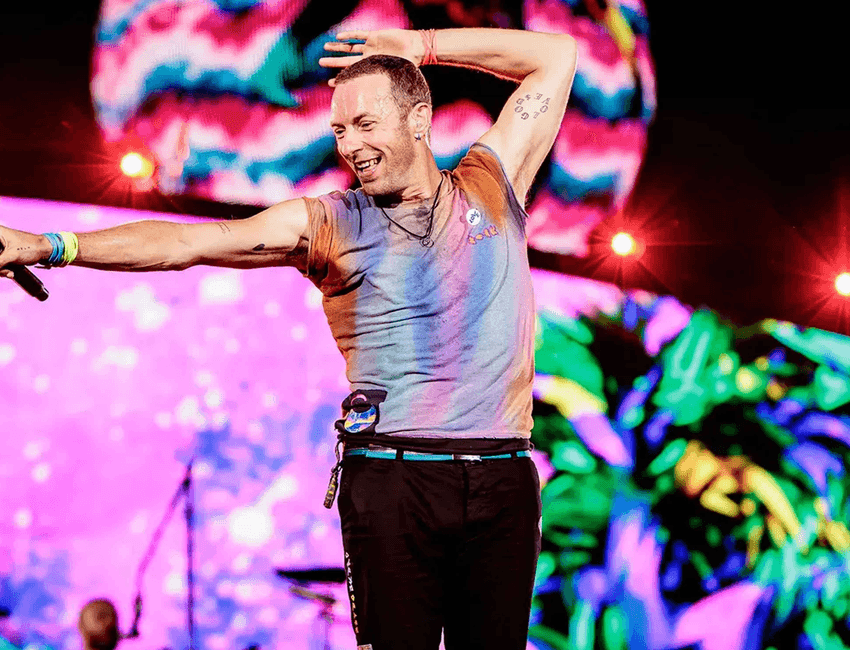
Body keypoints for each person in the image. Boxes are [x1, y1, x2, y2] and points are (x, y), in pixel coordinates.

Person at [0, 27, 577, 649]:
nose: (350, 146)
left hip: (503, 478)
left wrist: (425, 46)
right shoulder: (330, 223)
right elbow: (189, 243)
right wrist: (52, 245)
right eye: (339, 130)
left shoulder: (491, 182)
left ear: (419, 118)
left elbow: (555, 56)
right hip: (394, 479)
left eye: (365, 124)